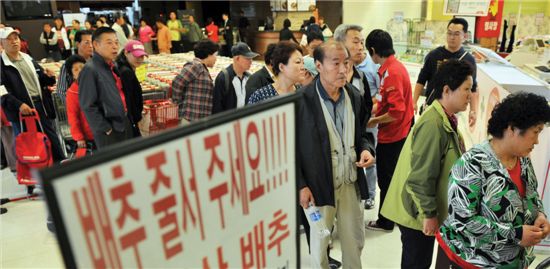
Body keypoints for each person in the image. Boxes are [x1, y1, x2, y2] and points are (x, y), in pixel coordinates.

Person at [437, 92, 550, 269]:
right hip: (475, 261)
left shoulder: (523, 159)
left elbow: (531, 193)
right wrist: (516, 234)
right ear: (512, 129)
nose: (536, 141)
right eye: (535, 133)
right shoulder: (472, 164)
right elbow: (461, 221)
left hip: (513, 261)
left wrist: (540, 215)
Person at [380, 60, 473, 269]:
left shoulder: (445, 119)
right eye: (466, 89)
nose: (470, 95)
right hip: (417, 213)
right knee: (416, 264)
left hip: (423, 211)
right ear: (447, 90)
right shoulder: (433, 124)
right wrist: (429, 215)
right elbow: (420, 177)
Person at [297, 40, 375, 269]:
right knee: (320, 242)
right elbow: (292, 150)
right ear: (318, 66)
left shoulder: (354, 95)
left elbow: (362, 134)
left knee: (355, 241)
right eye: (336, 64)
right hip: (319, 185)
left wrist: (365, 150)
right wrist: (301, 184)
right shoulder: (303, 101)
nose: (343, 70)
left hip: (350, 182)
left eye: (347, 63)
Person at [365, 29, 414, 232]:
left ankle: (386, 221)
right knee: (390, 176)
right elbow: (385, 101)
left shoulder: (391, 73)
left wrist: (373, 121)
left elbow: (396, 111)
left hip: (394, 135)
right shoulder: (393, 67)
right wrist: (371, 111)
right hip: (399, 130)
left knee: (386, 178)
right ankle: (389, 217)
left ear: (373, 50)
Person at [0, 27, 64, 162]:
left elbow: (41, 79)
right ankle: (34, 175)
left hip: (40, 105)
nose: (14, 42)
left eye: (16, 38)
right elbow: (2, 92)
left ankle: (60, 165)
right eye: (9, 40)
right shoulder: (2, 64)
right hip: (20, 111)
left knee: (50, 137)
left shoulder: (27, 57)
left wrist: (49, 77)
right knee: (29, 144)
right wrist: (19, 105)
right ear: (2, 43)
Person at [334, 24, 376, 209]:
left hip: (355, 145)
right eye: (356, 42)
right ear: (340, 45)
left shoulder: (360, 76)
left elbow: (366, 108)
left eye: (362, 42)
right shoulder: (327, 78)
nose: (361, 47)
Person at [414, 18, 479, 128]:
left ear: (465, 36)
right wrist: (414, 101)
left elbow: (472, 88)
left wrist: (473, 110)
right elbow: (421, 80)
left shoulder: (468, 60)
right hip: (431, 107)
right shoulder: (433, 55)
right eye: (449, 33)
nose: (452, 37)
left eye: (456, 34)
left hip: (452, 112)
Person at [79, 27, 133, 149]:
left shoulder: (112, 65)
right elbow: (87, 105)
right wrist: (105, 128)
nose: (115, 46)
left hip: (123, 123)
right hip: (109, 130)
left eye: (116, 42)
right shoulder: (90, 70)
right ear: (96, 45)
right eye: (109, 42)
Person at [172, 39, 219, 122]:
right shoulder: (196, 66)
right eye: (215, 55)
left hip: (197, 118)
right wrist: (178, 102)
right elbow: (177, 83)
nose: (216, 58)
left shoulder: (201, 68)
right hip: (191, 118)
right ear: (208, 54)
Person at [212, 42, 258, 114]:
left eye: (251, 58)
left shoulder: (249, 78)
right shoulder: (223, 78)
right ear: (237, 58)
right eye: (247, 58)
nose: (251, 61)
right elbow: (217, 108)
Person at [115, 40, 147, 137]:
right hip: (130, 120)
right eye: (136, 56)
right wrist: (134, 120)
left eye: (141, 56)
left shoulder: (125, 67)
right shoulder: (126, 72)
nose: (139, 59)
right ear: (126, 53)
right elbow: (128, 98)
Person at [65, 54, 95, 150]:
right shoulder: (72, 92)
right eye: (76, 70)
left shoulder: (96, 83)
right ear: (72, 75)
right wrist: (79, 137)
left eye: (82, 67)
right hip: (89, 135)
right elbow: (72, 116)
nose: (80, 71)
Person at [57, 30, 93, 103]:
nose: (91, 46)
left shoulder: (97, 62)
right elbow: (61, 91)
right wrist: (74, 105)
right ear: (77, 44)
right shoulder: (69, 64)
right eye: (87, 42)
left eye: (92, 42)